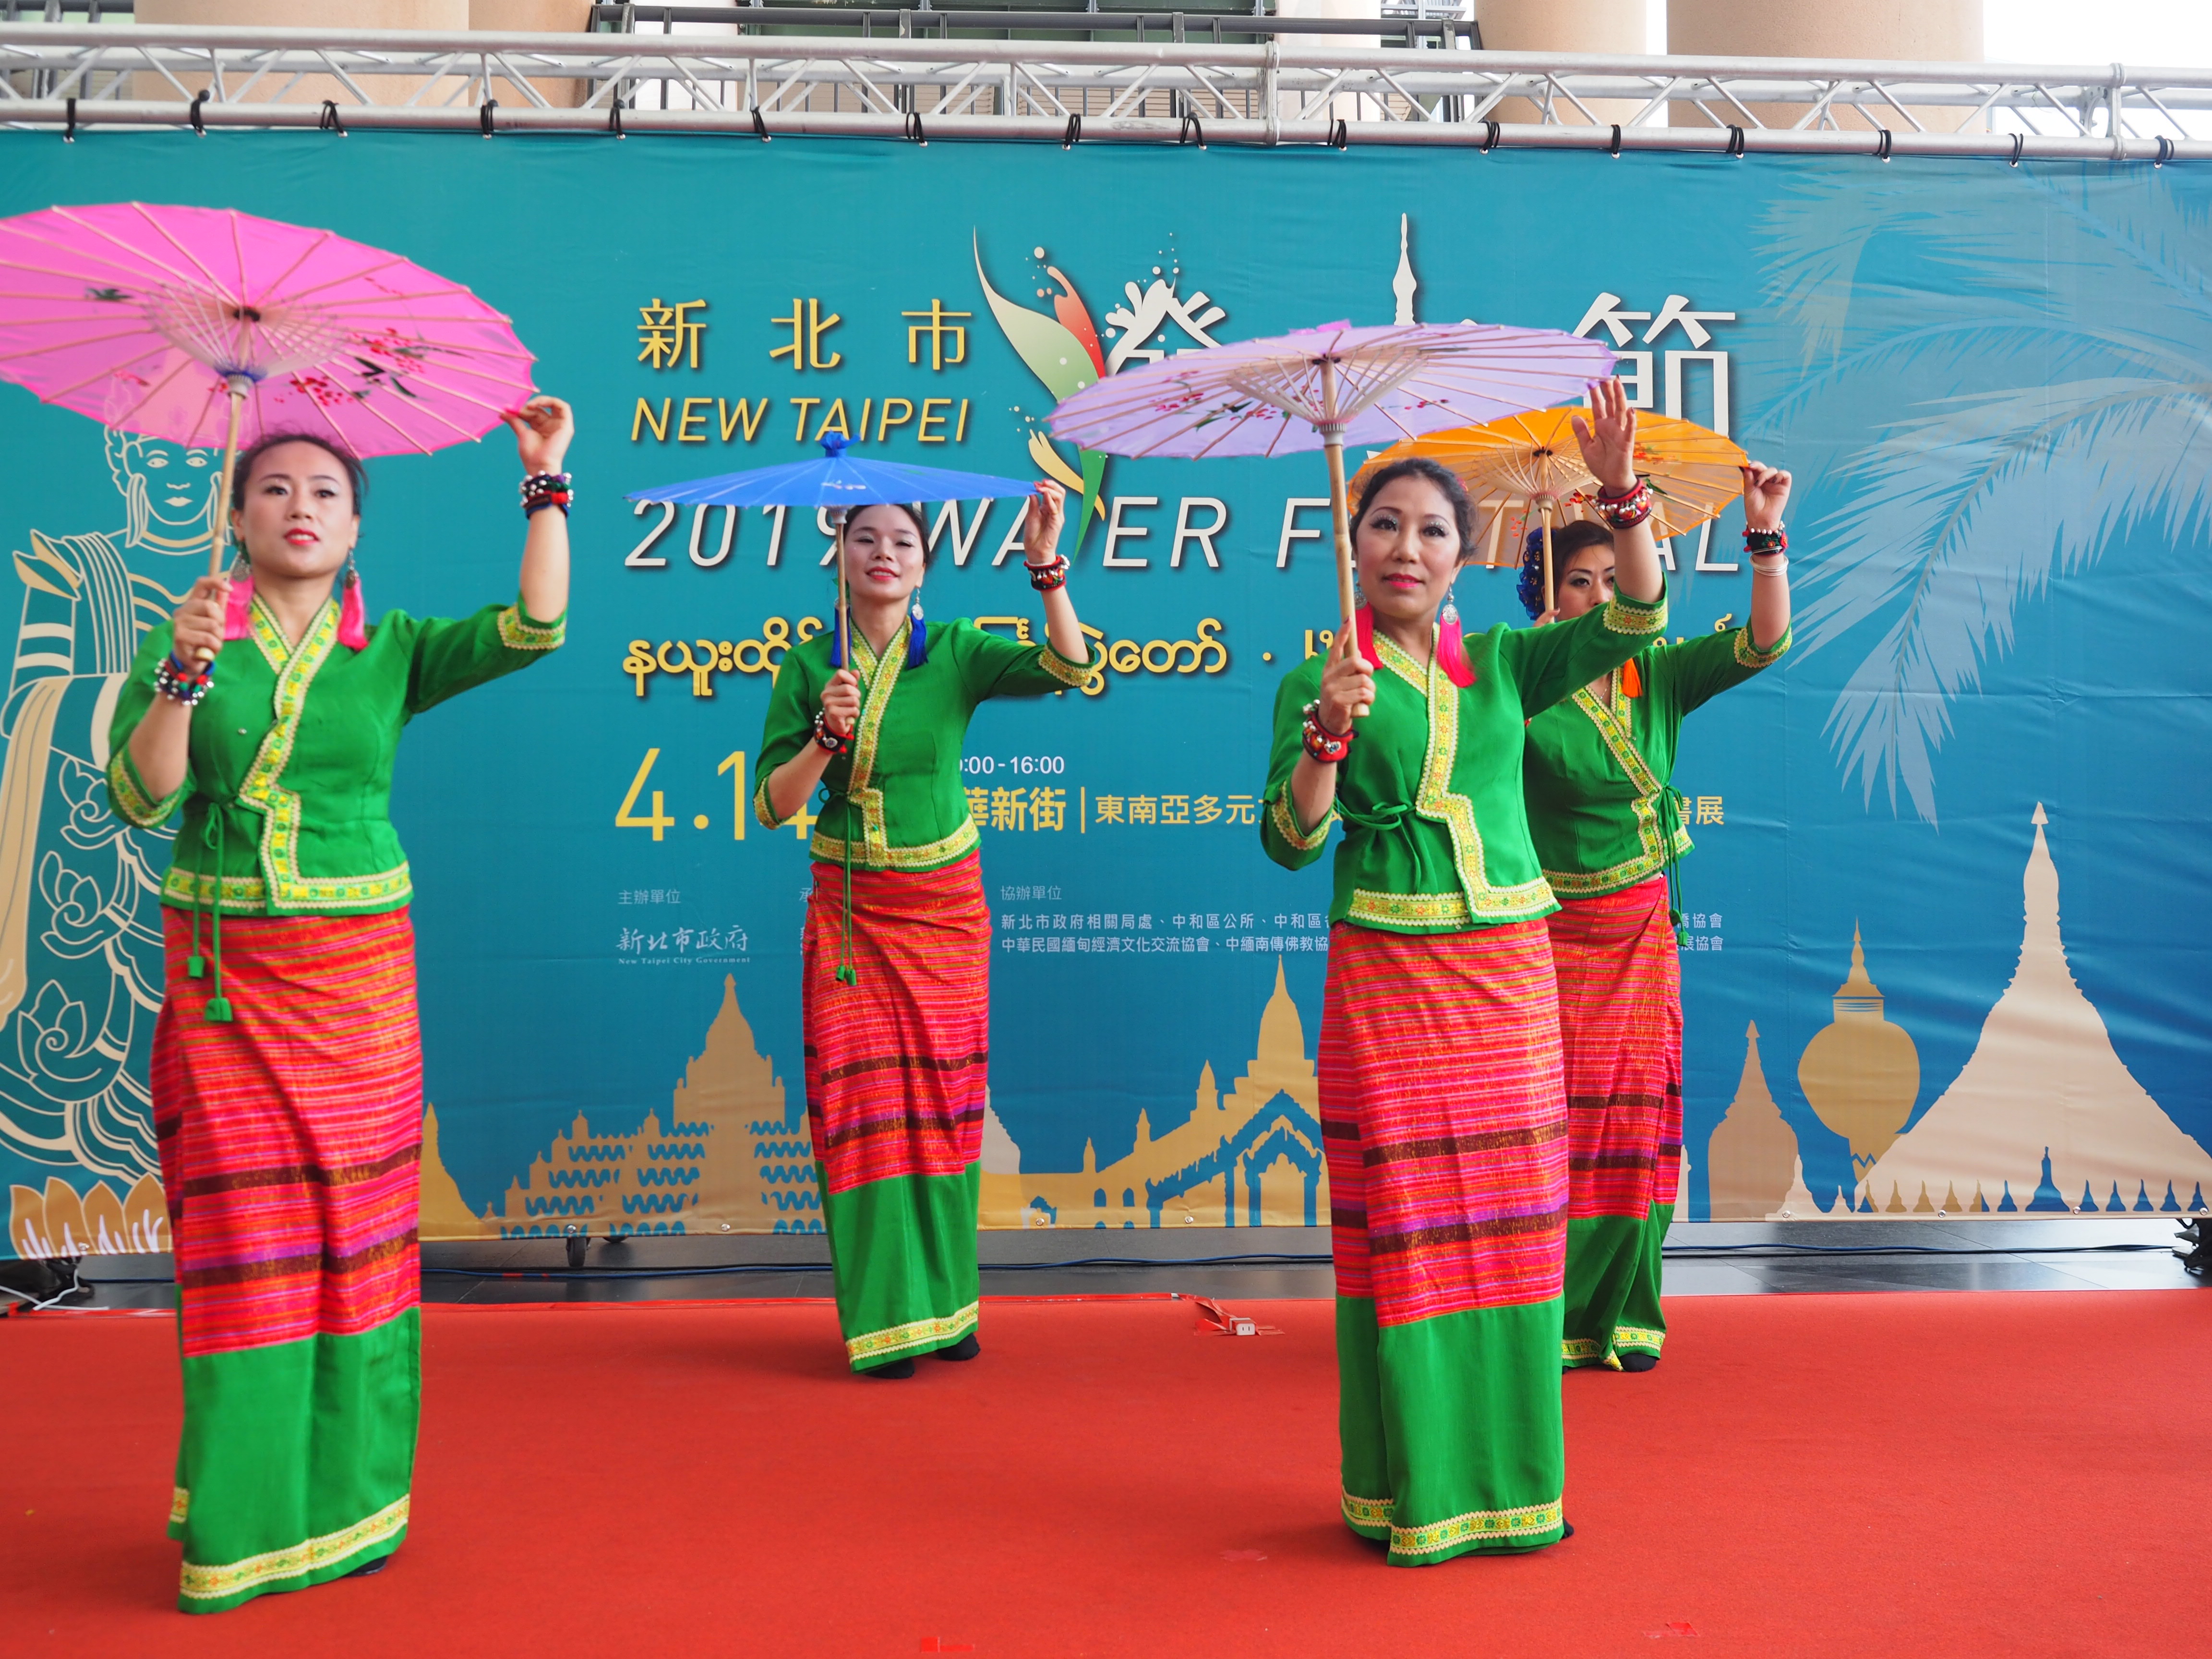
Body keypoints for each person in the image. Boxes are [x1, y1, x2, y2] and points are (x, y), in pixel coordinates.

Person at [105, 400, 574, 1611]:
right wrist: (179, 674)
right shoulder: (191, 638)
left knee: (356, 1244)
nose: (300, 506)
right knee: (245, 1247)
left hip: (359, 991)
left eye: (324, 491)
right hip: (226, 989)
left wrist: (545, 484)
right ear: (237, 514)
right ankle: (246, 1517)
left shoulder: (399, 645)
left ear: (356, 525)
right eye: (275, 489)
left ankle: (348, 1509)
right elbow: (140, 799)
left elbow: (537, 626)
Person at [1261, 379, 1667, 1566]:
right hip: (1386, 982)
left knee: (1513, 1228)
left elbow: (1635, 616)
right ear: (1353, 545)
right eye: (1384, 524)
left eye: (1433, 529)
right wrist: (1327, 741)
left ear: (1464, 555)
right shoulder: (1319, 680)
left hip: (1507, 982)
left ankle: (1516, 1488)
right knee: (1414, 1230)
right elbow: (1289, 842)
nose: (1407, 547)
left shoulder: (1505, 661)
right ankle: (1417, 1492)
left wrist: (1621, 497)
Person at [755, 481, 1099, 1379]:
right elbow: (769, 806)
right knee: (866, 1115)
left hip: (945, 912)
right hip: (850, 915)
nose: (884, 553)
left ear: (923, 568)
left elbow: (1071, 669)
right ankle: (887, 1321)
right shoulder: (807, 669)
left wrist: (1045, 567)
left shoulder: (952, 652)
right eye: (865, 539)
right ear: (840, 560)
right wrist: (821, 743)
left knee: (944, 1112)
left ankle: (947, 1307)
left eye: (903, 542)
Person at [1520, 464, 1793, 1373]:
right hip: (1545, 943)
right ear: (1544, 596)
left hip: (1642, 939)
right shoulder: (1514, 688)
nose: (1600, 597)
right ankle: (1535, 1314)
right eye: (1577, 582)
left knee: (1633, 1128)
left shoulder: (1657, 676)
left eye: (1611, 581)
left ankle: (1622, 1316)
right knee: (1548, 1127)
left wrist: (1763, 539)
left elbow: (1763, 642)